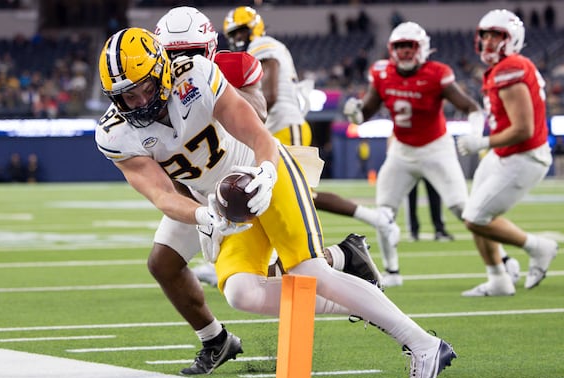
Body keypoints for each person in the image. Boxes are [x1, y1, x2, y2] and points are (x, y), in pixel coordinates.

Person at [96, 27, 456, 378]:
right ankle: (363, 298)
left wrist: (267, 172)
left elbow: (256, 133)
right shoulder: (114, 133)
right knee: (241, 293)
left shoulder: (197, 76)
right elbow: (160, 195)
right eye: (126, 96)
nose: (140, 101)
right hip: (222, 203)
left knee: (309, 269)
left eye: (145, 87)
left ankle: (424, 344)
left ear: (163, 71)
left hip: (261, 170)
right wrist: (201, 216)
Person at [154, 6, 383, 289]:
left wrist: (218, 91)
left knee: (293, 209)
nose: (183, 61)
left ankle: (345, 251)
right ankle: (338, 255)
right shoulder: (159, 88)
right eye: (234, 33)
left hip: (279, 129)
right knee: (262, 224)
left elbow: (265, 103)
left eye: (243, 31)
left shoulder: (257, 50)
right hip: (254, 141)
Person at [343, 21, 520, 287]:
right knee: (383, 212)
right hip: (402, 151)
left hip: (436, 149)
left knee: (465, 209)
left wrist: (474, 134)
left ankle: (504, 259)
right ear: (391, 49)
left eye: (409, 46)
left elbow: (471, 107)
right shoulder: (381, 72)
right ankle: (392, 272)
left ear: (422, 48)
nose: (403, 52)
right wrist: (355, 113)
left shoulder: (437, 73)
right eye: (399, 46)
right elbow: (366, 111)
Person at [222, 6, 400, 252]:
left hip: (283, 125)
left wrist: (243, 124)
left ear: (255, 28)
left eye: (241, 32)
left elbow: (269, 96)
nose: (237, 39)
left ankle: (374, 222)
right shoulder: (256, 49)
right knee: (264, 195)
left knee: (299, 196)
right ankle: (248, 259)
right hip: (275, 129)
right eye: (234, 34)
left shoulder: (262, 45)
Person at [456, 9, 558, 296]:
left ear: (511, 38)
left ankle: (538, 247)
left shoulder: (510, 68)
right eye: (485, 35)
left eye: (496, 35)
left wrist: (483, 142)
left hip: (524, 156)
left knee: (476, 218)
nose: (488, 41)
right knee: (474, 214)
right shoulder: (505, 67)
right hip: (505, 154)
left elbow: (524, 128)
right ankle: (499, 280)